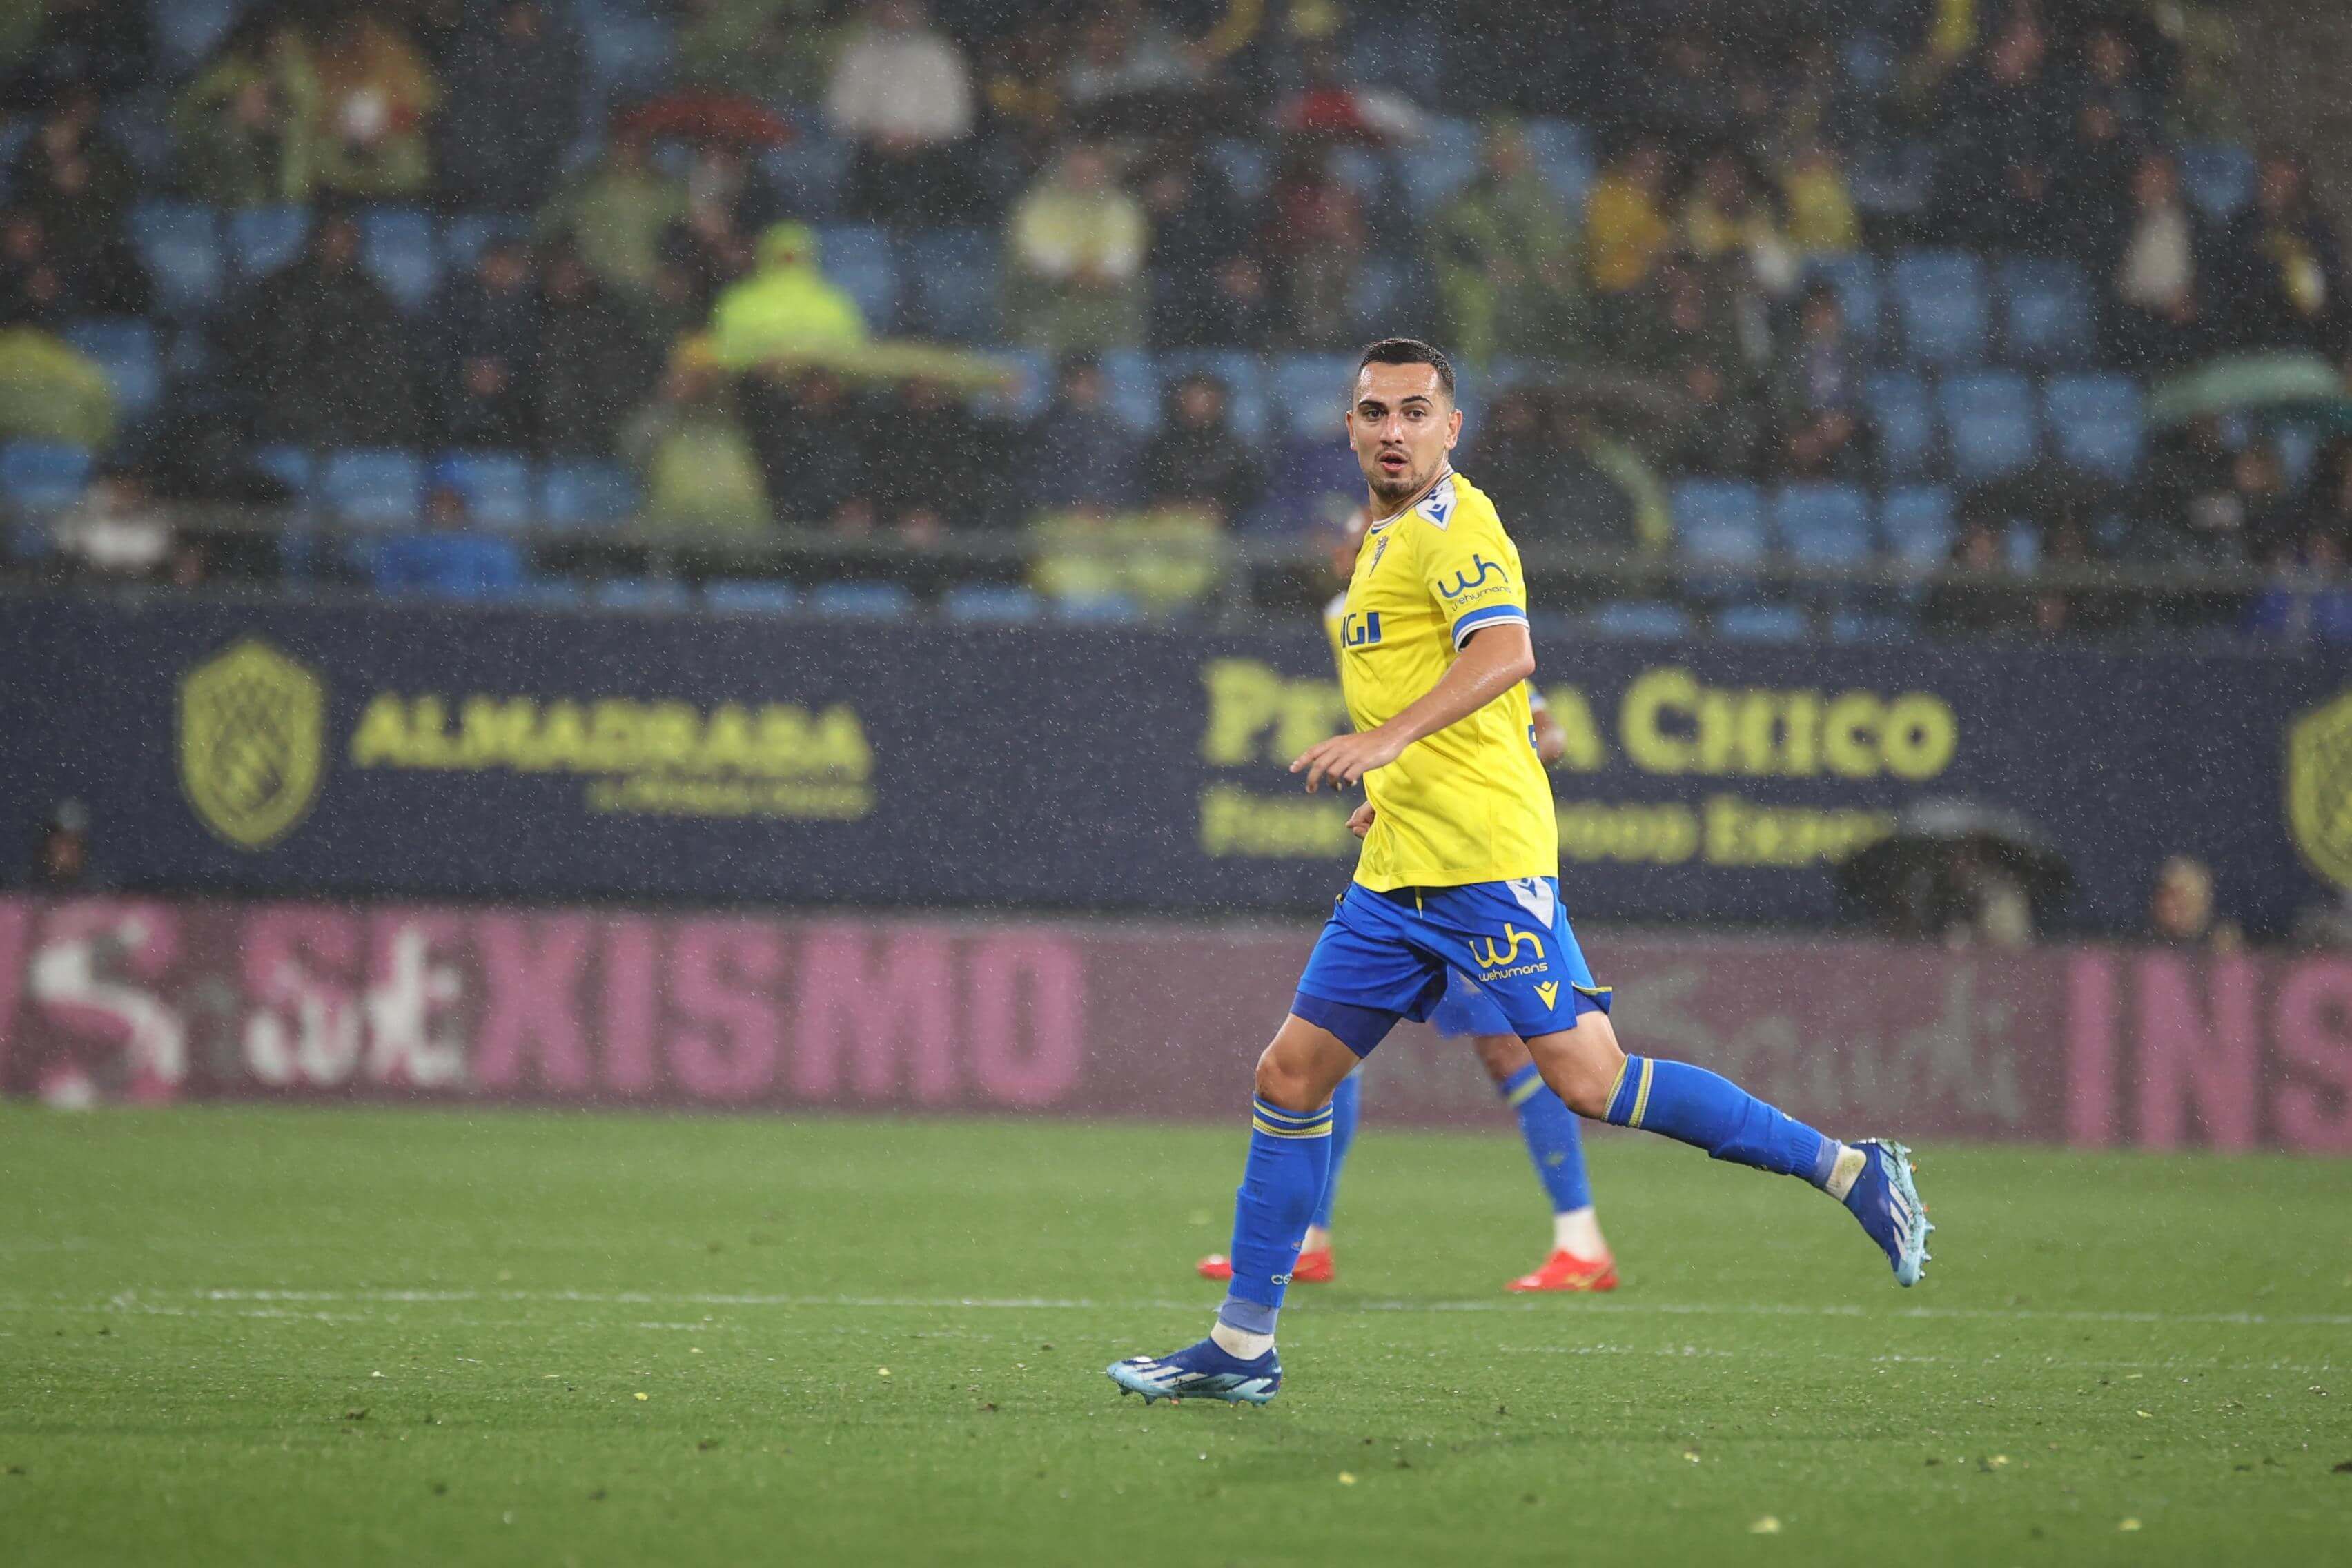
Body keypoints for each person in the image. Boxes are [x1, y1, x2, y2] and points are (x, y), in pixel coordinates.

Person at [1108, 339, 1932, 1407]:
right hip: (1400, 870)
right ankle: (1243, 1347)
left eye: (1416, 412)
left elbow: (1506, 657)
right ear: (1350, 428)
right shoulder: (1379, 544)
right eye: (1374, 412)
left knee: (1591, 1081)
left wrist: (1389, 741)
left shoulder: (1459, 523)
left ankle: (1853, 1170)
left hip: (1484, 870)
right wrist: (1394, 788)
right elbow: (1470, 700)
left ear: (1453, 429)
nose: (1393, 431)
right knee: (1289, 1078)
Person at [1193, 504, 1616, 1295]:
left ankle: (1583, 1238)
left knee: (1531, 1055)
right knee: (1326, 1044)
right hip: (1410, 859)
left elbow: (1539, 726)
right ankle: (1308, 1236)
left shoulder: (1447, 592)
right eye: (1349, 540)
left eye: (1363, 536)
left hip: (1477, 860)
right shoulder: (1342, 617)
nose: (1357, 550)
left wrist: (1478, 774)